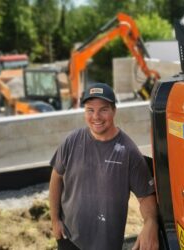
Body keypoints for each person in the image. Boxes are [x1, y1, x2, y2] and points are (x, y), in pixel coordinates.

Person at [49, 83, 159, 250]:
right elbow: (56, 177)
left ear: (114, 111)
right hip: (68, 237)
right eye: (90, 110)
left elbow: (146, 197)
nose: (96, 117)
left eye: (103, 109)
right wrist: (55, 220)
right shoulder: (72, 141)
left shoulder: (128, 151)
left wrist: (151, 222)